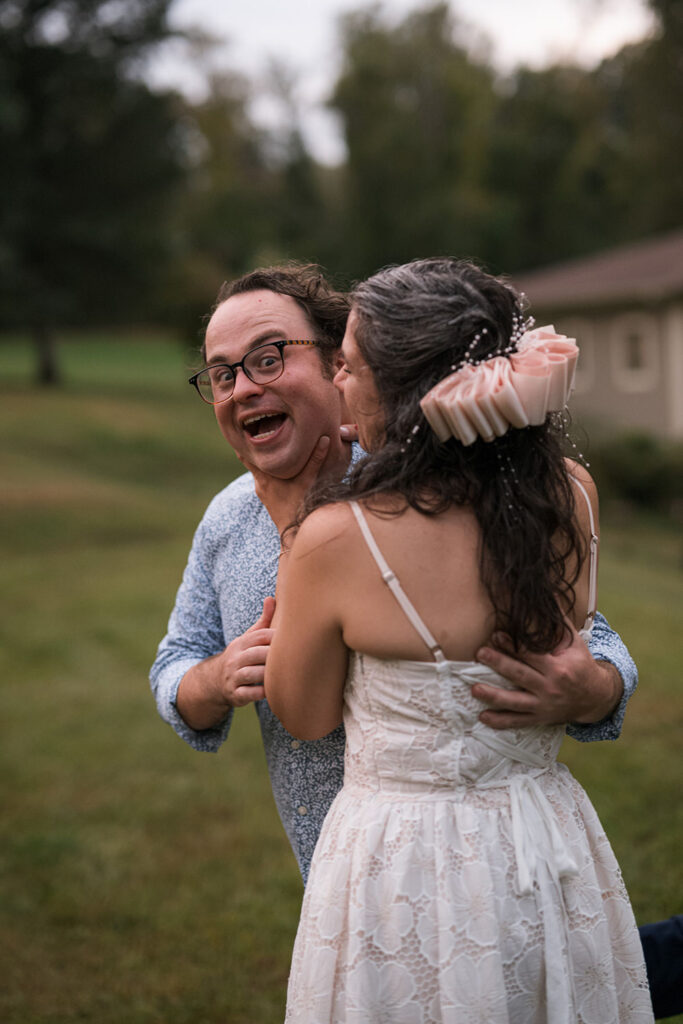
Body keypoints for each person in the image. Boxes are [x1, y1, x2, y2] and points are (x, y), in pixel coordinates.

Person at [150, 263, 637, 888]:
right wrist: (211, 681)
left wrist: (599, 689)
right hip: (334, 885)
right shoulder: (225, 518)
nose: (241, 388)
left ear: (337, 361)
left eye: (267, 358)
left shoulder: (444, 486)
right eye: (221, 374)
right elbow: (177, 658)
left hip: (443, 859)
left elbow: (580, 634)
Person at [263, 258, 653, 1022]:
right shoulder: (570, 493)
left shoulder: (336, 538)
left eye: (349, 365)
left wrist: (295, 528)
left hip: (398, 863)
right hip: (541, 838)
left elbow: (302, 714)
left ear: (405, 393)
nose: (338, 383)